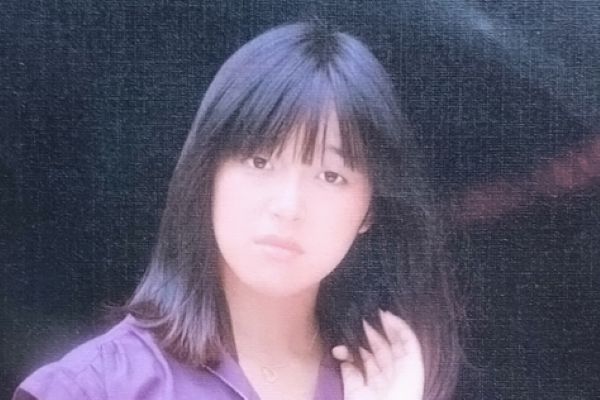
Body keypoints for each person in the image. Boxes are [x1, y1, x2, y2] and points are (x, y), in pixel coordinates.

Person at [13, 21, 464, 400]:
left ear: (369, 210)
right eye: (259, 161)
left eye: (330, 176)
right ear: (206, 175)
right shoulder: (95, 387)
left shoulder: (388, 381)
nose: (288, 206)